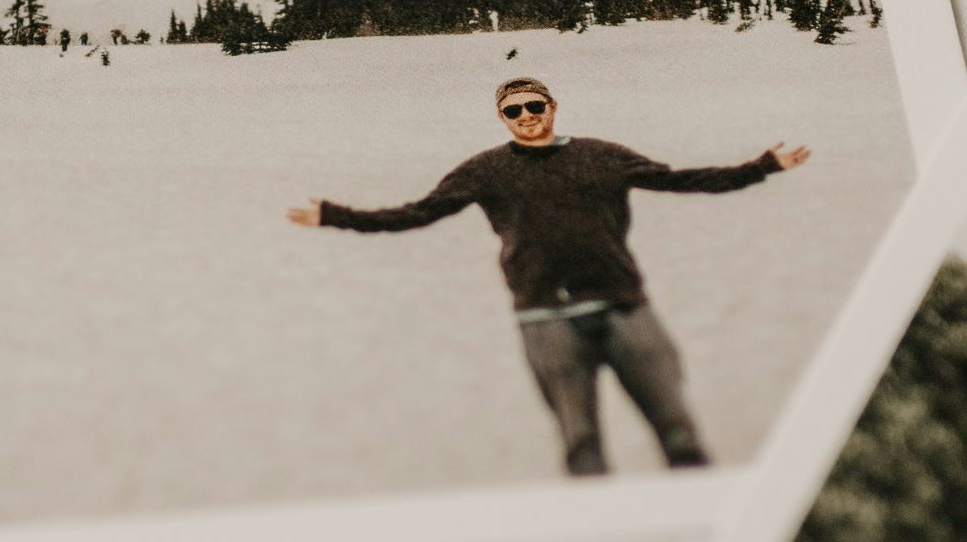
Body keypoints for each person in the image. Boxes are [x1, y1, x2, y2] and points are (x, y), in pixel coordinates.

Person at [287, 76, 811, 477]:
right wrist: (335, 215)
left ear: (552, 107)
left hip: (624, 305)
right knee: (581, 443)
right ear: (502, 118)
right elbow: (417, 213)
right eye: (513, 111)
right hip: (544, 318)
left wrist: (761, 166)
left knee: (677, 430)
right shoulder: (484, 170)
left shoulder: (602, 157)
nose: (526, 116)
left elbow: (683, 180)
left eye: (534, 106)